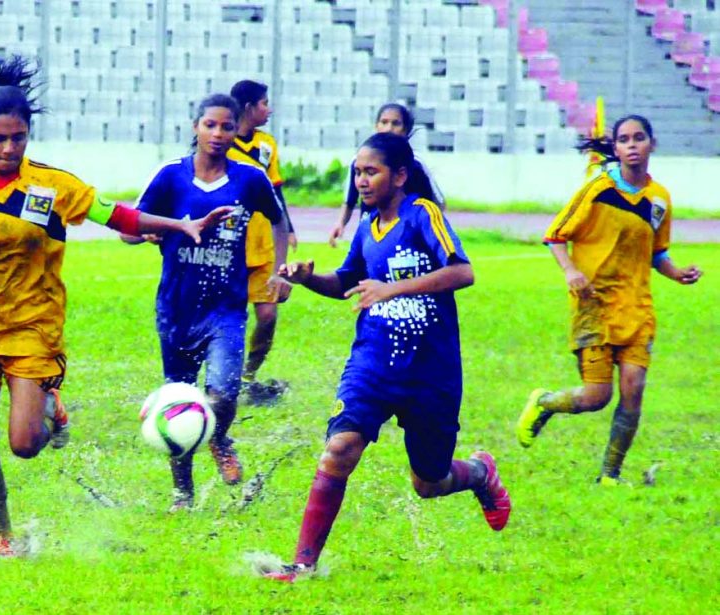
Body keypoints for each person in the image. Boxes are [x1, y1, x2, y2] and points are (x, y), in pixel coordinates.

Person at [0, 56, 230, 557]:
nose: (8, 148)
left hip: (33, 327)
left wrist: (180, 226)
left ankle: (49, 410)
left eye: (18, 138)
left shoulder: (52, 186)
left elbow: (118, 215)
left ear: (28, 136)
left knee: (23, 444)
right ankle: (1, 535)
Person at [263, 133, 511, 582]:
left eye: (370, 171)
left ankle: (478, 473)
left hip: (430, 373)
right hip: (374, 364)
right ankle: (302, 564)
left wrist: (390, 288)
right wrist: (307, 278)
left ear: (399, 175)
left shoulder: (422, 215)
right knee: (339, 449)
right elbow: (347, 284)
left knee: (429, 482)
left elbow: (462, 271)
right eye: (357, 172)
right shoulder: (366, 228)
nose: (361, 180)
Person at [517, 115, 702, 485]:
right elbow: (555, 236)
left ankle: (609, 476)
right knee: (596, 397)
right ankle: (545, 402)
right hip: (595, 306)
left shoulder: (659, 199)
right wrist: (571, 271)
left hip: (637, 308)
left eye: (639, 138)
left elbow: (656, 252)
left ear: (652, 143)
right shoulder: (598, 188)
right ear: (615, 148)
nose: (632, 145)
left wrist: (677, 271)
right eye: (624, 140)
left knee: (634, 391)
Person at [129, 94, 290, 511]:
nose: (218, 134)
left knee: (223, 393)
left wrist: (278, 270)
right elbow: (130, 227)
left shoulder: (249, 179)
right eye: (210, 126)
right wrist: (150, 232)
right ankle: (183, 493)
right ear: (195, 127)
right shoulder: (170, 177)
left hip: (226, 309)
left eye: (227, 127)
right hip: (177, 308)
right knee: (178, 402)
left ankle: (218, 436)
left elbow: (278, 220)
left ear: (237, 130)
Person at [228, 79, 296, 405]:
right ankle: (222, 377)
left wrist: (290, 227)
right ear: (249, 107)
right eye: (265, 103)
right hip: (229, 245)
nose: (269, 109)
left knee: (267, 315)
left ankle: (248, 377)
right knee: (228, 318)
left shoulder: (267, 144)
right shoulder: (220, 143)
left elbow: (276, 192)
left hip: (264, 241)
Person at [328, 103, 445, 247]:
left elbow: (437, 201)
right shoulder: (358, 161)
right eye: (384, 122)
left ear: (406, 129)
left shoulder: (415, 165)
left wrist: (431, 230)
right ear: (376, 126)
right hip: (371, 234)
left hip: (405, 236)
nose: (389, 128)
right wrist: (340, 224)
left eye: (396, 123)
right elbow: (349, 201)